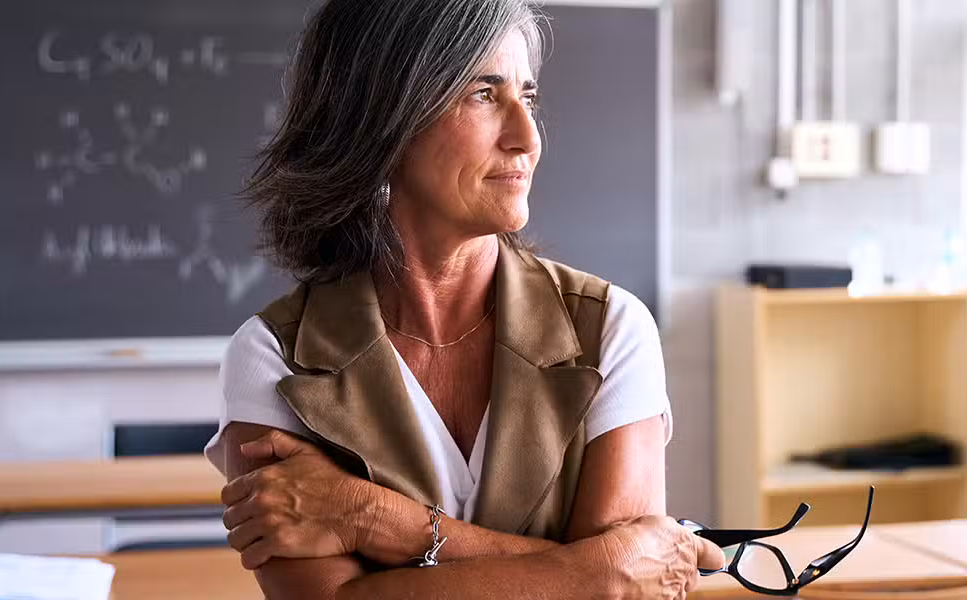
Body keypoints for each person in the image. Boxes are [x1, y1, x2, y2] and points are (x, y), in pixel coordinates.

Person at [202, 0, 723, 598]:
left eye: (527, 97)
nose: (527, 138)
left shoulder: (610, 330)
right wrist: (591, 571)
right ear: (383, 117)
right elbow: (619, 580)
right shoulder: (274, 358)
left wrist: (376, 519)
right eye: (482, 93)